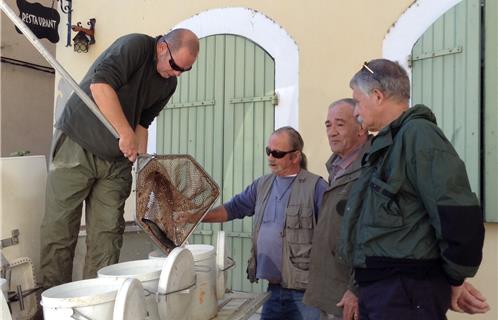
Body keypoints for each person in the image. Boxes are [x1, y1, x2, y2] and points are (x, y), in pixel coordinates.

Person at [40, 28, 199, 289]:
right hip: (78, 142)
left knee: (107, 237)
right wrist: (125, 133)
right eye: (175, 65)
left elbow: (143, 124)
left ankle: (95, 304)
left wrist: (143, 165)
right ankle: (52, 307)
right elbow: (100, 85)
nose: (177, 73)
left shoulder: (168, 84)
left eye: (185, 70)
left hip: (115, 163)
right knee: (59, 231)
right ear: (162, 47)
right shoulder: (135, 45)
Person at [337, 58, 487, 319]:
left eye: (358, 101)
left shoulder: (419, 135)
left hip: (406, 293)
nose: (356, 112)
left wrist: (454, 278)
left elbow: (457, 214)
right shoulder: (387, 145)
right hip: (387, 291)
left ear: (377, 96)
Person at [193, 126, 328, 320]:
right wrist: (197, 216)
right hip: (273, 290)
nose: (271, 157)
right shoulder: (262, 185)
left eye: (277, 153)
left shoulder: (316, 187)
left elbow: (334, 236)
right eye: (268, 151)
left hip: (306, 293)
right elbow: (233, 208)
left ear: (295, 156)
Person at [304, 98, 371, 320]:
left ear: (361, 128)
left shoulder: (371, 169)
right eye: (328, 125)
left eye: (340, 124)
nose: (332, 132)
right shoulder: (337, 167)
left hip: (349, 295)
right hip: (332, 291)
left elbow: (372, 236)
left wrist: (356, 289)